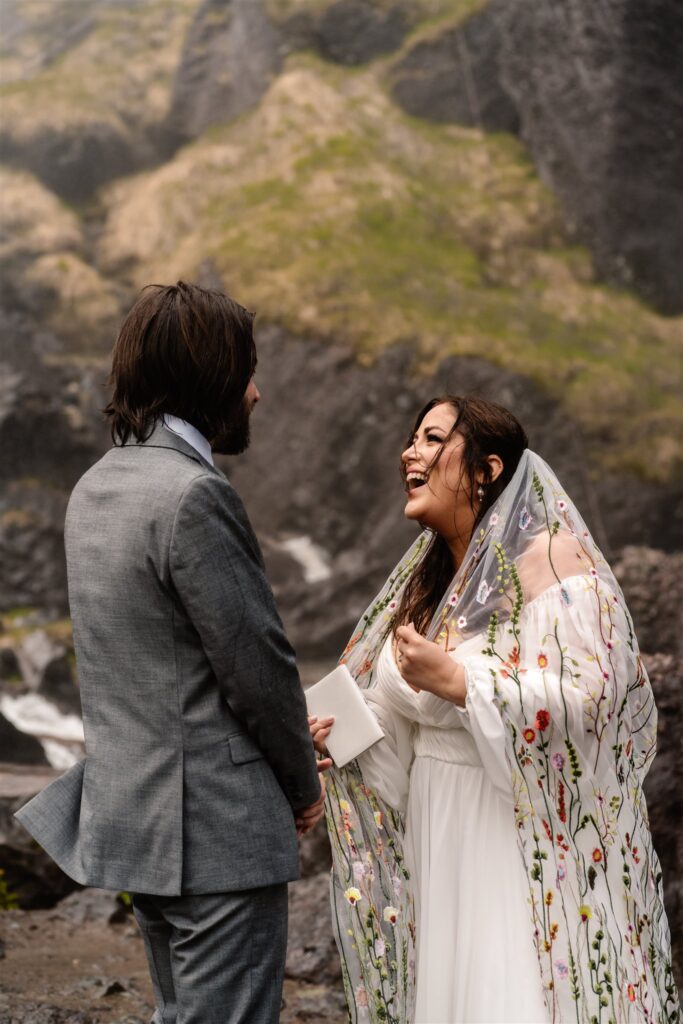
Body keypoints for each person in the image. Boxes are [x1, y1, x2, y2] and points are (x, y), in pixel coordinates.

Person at [16, 281, 328, 1024]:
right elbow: (256, 665)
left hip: (137, 826)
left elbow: (159, 667)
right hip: (216, 833)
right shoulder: (193, 494)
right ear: (213, 378)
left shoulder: (95, 488)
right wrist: (301, 783)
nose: (256, 392)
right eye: (246, 370)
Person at [311, 396, 679, 1024]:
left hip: (507, 830)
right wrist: (338, 741)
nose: (410, 453)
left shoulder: (553, 561)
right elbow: (399, 737)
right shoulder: (425, 589)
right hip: (436, 827)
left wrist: (459, 681)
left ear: (486, 469)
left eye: (431, 439)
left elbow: (595, 702)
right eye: (411, 439)